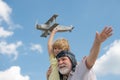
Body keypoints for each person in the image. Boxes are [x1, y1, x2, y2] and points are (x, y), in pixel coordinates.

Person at [47, 26, 113, 80]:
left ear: (71, 60)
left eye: (63, 59)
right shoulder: (62, 74)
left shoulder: (79, 70)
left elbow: (90, 61)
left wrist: (97, 43)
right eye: (58, 61)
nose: (60, 62)